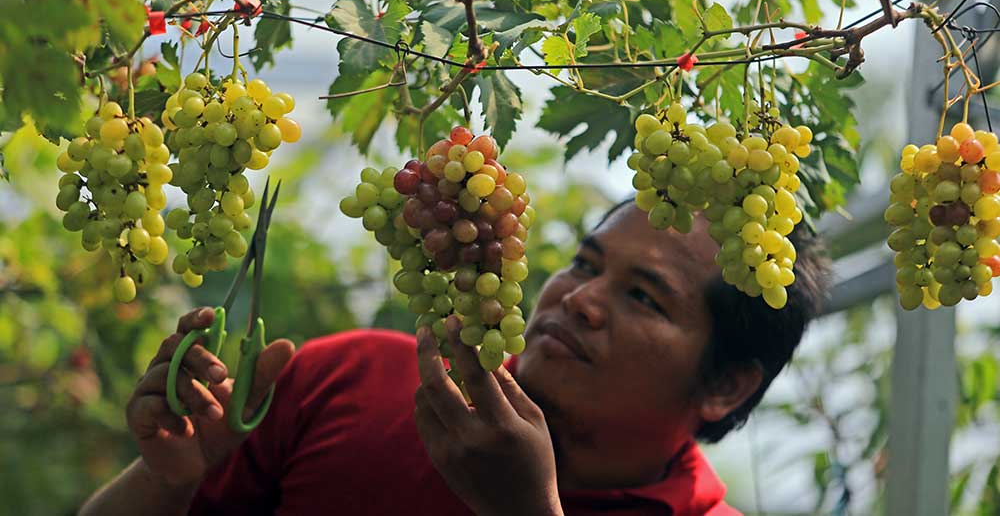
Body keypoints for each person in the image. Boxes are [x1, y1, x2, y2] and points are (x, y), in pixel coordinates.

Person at [79, 200, 828, 516]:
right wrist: (165, 482)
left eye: (644, 298)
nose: (579, 298)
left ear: (726, 384)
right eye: (584, 262)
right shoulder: (349, 377)